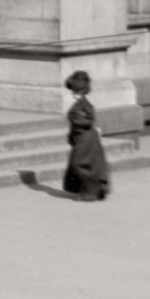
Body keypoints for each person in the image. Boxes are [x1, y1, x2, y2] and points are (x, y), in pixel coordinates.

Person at [63, 70, 109, 201]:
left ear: (83, 91)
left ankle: (91, 191)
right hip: (81, 137)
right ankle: (91, 189)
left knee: (80, 165)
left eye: (76, 92)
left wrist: (76, 120)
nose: (74, 95)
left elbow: (90, 119)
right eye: (73, 92)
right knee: (85, 165)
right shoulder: (80, 104)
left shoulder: (86, 105)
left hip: (86, 137)